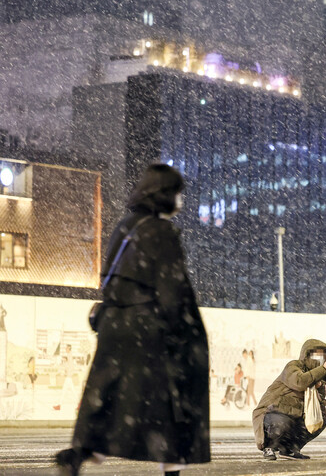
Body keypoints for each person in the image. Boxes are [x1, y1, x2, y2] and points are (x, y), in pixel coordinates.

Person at [55, 164, 210, 476]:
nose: (180, 201)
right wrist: (185, 334)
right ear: (167, 195)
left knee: (110, 397)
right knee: (170, 402)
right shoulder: (162, 231)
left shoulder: (126, 225)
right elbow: (172, 290)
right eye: (178, 194)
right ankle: (172, 471)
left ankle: (80, 451)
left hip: (114, 323)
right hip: (147, 326)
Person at [252, 339, 326, 460]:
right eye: (316, 354)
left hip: (294, 415)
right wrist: (323, 370)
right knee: (281, 422)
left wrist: (317, 390)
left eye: (323, 355)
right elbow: (299, 382)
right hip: (273, 411)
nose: (319, 358)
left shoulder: (320, 377)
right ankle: (268, 447)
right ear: (306, 354)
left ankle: (289, 449)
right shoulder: (293, 366)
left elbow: (319, 405)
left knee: (319, 420)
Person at [53, 344, 76, 411]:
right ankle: (59, 405)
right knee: (72, 391)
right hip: (68, 376)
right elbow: (69, 365)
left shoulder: (69, 355)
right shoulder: (69, 355)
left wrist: (67, 373)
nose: (65, 349)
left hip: (68, 377)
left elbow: (70, 366)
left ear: (69, 348)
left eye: (66, 348)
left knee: (66, 391)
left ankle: (59, 405)